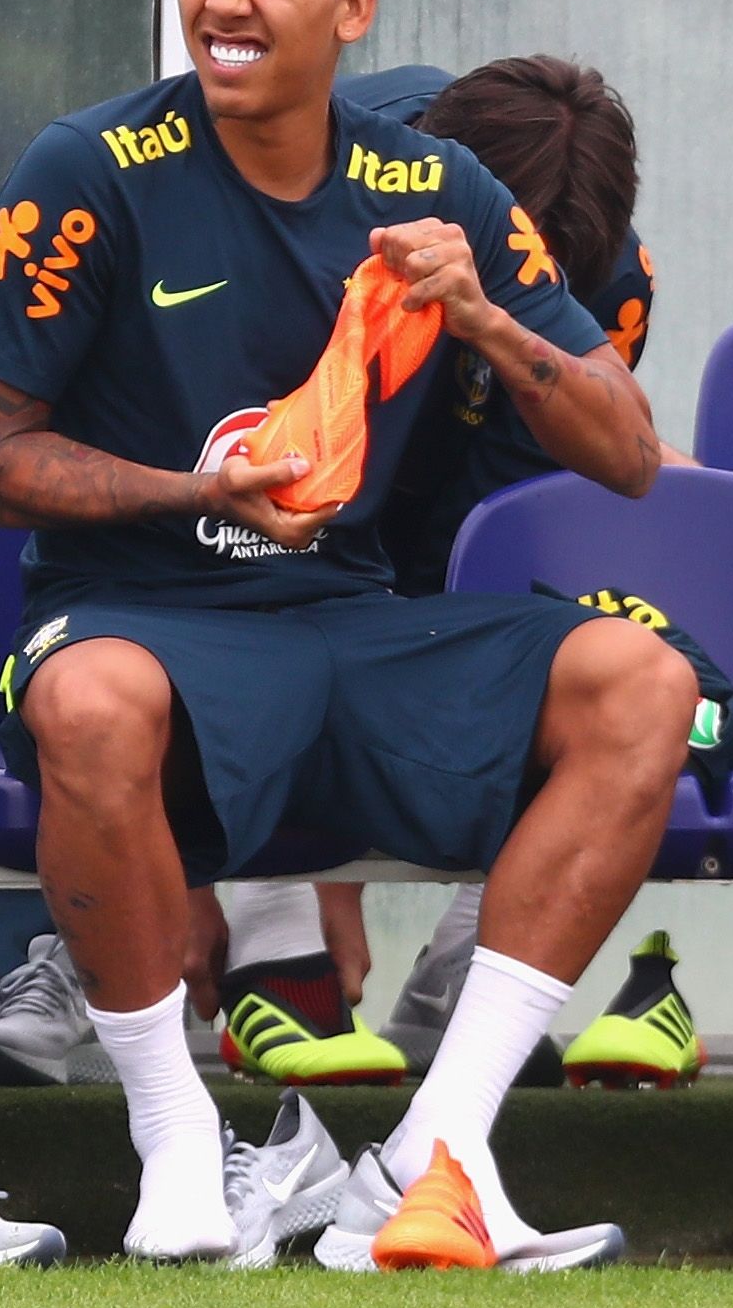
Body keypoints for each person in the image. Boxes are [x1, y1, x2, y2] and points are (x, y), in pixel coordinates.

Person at [0, 0, 695, 1268]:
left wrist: (483, 313)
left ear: (350, 9)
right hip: (139, 612)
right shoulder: (89, 168)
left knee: (645, 683)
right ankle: (178, 1152)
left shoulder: (437, 187)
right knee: (87, 700)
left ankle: (437, 1157)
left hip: (351, 619)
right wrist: (192, 492)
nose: (223, 1)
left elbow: (628, 450)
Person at [210, 56, 683, 1090]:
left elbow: (510, 523)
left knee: (580, 636)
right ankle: (268, 931)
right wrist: (316, 881)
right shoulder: (302, 181)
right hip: (275, 499)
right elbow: (266, 463)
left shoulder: (606, 274)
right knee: (258, 554)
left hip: (455, 492)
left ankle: (468, 971)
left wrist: (509, 328)